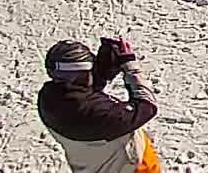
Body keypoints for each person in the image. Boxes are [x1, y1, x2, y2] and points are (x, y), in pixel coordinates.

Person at [38, 37, 160, 173]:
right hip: (133, 168)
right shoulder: (98, 114)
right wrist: (131, 67)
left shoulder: (49, 99)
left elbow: (82, 89)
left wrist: (105, 65)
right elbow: (146, 106)